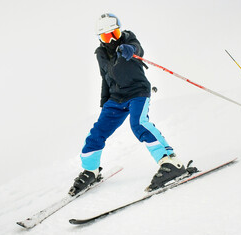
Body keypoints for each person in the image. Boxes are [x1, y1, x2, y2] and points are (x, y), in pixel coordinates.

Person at [68, 13, 186, 196]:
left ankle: (170, 162)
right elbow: (104, 78)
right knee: (97, 132)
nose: (113, 39)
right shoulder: (100, 54)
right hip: (115, 98)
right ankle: (91, 171)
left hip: (137, 91)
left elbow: (138, 48)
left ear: (120, 30)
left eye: (115, 33)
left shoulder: (128, 40)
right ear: (100, 38)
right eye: (107, 36)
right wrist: (104, 101)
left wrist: (130, 49)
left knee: (138, 124)